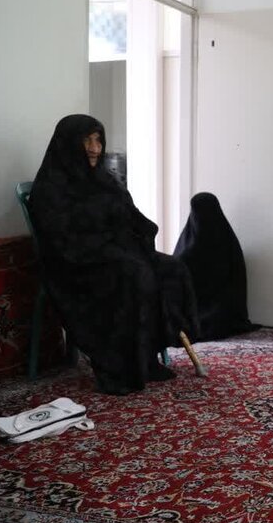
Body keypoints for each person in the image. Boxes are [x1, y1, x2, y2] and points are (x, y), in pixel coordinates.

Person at [28, 114, 200, 394]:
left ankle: (146, 356)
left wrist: (137, 234)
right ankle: (118, 367)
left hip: (115, 254)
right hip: (75, 266)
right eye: (87, 140)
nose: (95, 148)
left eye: (98, 140)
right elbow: (63, 242)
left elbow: (129, 216)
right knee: (135, 274)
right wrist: (112, 246)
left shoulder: (103, 179)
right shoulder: (49, 189)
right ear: (68, 143)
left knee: (172, 269)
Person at [173, 193, 258, 342]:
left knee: (213, 321)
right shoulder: (186, 241)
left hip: (219, 305)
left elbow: (235, 285)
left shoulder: (227, 243)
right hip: (192, 305)